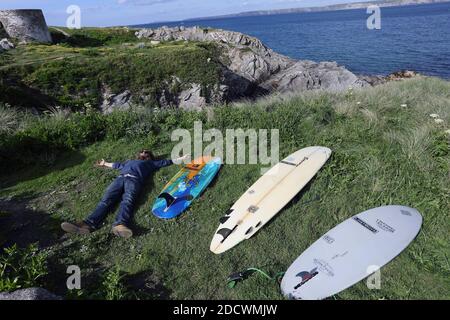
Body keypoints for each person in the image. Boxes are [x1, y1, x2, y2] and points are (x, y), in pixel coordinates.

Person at [61, 149, 189, 239]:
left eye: (147, 153)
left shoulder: (151, 164)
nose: (144, 153)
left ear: (150, 157)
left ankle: (120, 225)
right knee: (106, 200)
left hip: (134, 180)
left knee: (127, 201)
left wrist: (182, 159)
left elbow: (166, 162)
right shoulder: (128, 162)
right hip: (120, 179)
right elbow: (117, 165)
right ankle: (87, 225)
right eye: (142, 152)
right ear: (138, 155)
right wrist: (105, 163)